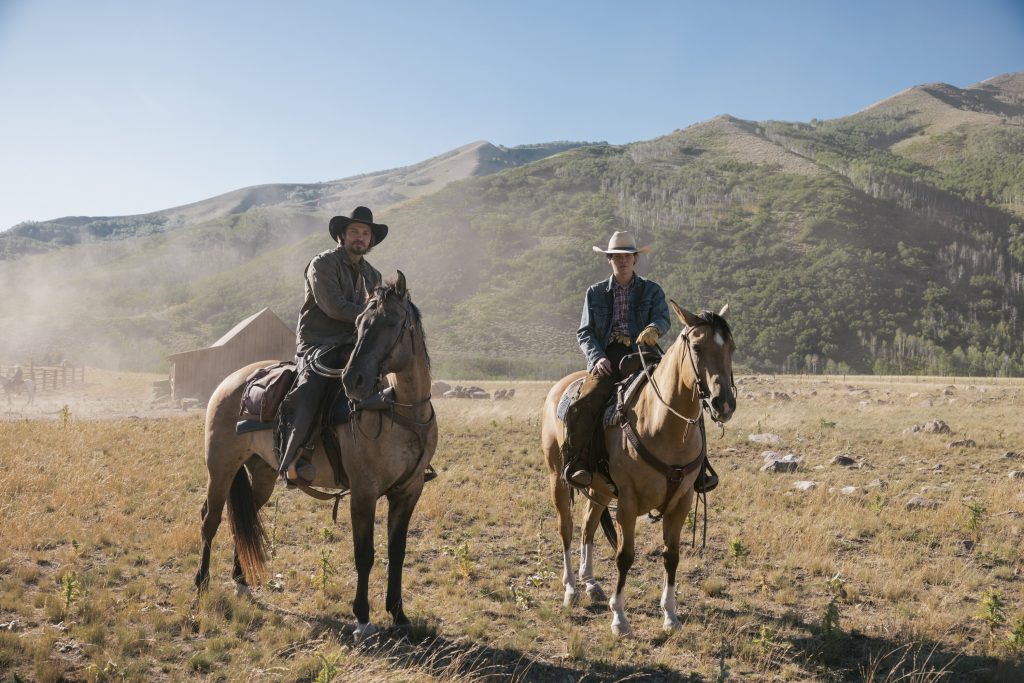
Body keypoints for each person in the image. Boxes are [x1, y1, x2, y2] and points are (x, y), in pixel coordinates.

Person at [277, 206, 386, 484]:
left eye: (365, 233)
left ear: (371, 241)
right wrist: (371, 316)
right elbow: (334, 307)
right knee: (313, 385)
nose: (360, 238)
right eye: (354, 232)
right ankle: (295, 457)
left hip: (353, 344)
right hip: (319, 343)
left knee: (389, 382)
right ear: (342, 235)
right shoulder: (322, 264)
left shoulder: (373, 275)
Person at [562, 231, 670, 488]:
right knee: (587, 399)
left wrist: (655, 329)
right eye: (617, 257)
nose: (622, 261)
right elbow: (585, 332)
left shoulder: (652, 291)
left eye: (627, 256)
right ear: (609, 259)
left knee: (682, 392)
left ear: (635, 259)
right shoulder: (595, 293)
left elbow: (663, 318)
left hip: (644, 353)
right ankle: (579, 463)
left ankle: (699, 467)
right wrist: (597, 357)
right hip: (608, 355)